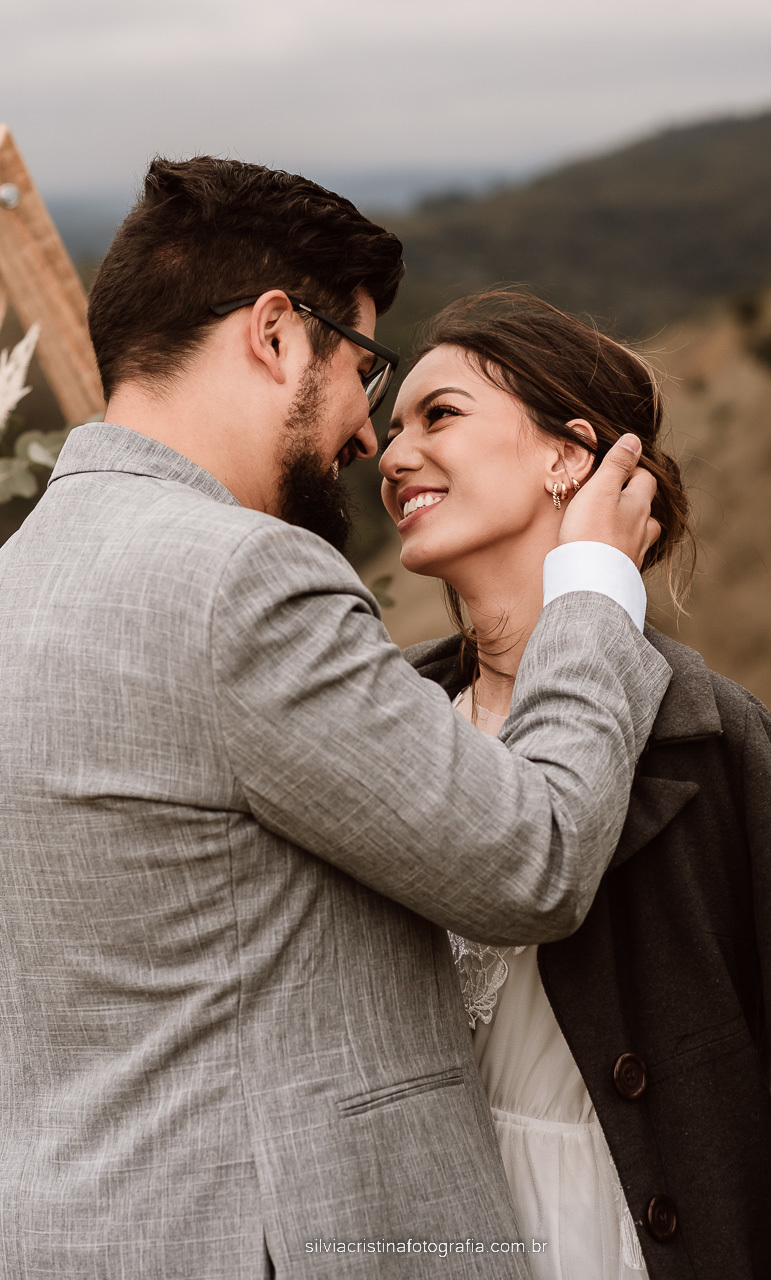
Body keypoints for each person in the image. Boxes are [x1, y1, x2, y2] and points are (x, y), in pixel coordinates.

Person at [0, 160, 671, 1279]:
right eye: (364, 368)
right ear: (274, 333)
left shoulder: (18, 576)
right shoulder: (242, 578)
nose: (367, 436)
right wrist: (593, 588)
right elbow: (531, 857)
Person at [381, 288, 771, 1280]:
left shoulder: (704, 732)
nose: (392, 457)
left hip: (636, 1236)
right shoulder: (384, 716)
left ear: (567, 455)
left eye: (439, 415)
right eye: (389, 429)